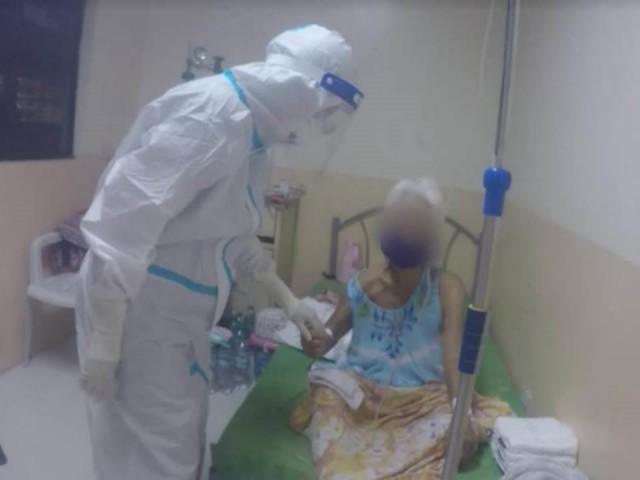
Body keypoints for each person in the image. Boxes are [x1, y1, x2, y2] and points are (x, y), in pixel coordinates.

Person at [75, 25, 363, 480]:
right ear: (304, 88)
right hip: (137, 313)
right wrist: (107, 340)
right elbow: (120, 224)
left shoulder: (254, 138)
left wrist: (288, 300)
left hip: (177, 317)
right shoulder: (210, 117)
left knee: (180, 434)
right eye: (322, 111)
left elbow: (232, 234)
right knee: (152, 454)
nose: (315, 124)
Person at [295, 178, 510, 478]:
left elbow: (453, 360)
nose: (405, 233)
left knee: (457, 433)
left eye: (416, 226)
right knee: (327, 400)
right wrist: (311, 339)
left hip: (422, 401)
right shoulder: (363, 283)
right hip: (360, 395)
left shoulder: (447, 288)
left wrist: (460, 412)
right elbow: (325, 340)